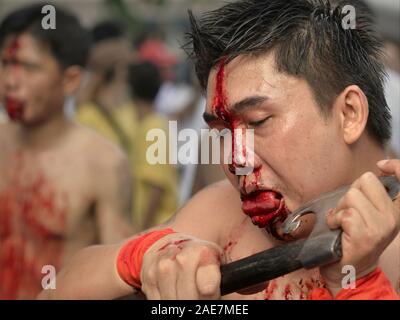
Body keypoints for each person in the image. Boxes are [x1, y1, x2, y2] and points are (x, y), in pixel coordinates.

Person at [39, 0, 400, 300]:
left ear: (349, 114)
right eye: (222, 132)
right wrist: (143, 258)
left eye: (258, 122)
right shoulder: (221, 215)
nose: (235, 161)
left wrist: (362, 285)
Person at [0, 4, 132, 299]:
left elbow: (122, 277)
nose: (10, 81)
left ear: (71, 79)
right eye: (6, 63)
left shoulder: (103, 163)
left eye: (28, 67)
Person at [127, 62, 178, 229]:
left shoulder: (153, 128)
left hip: (155, 228)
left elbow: (157, 186)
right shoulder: (149, 124)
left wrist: (142, 231)